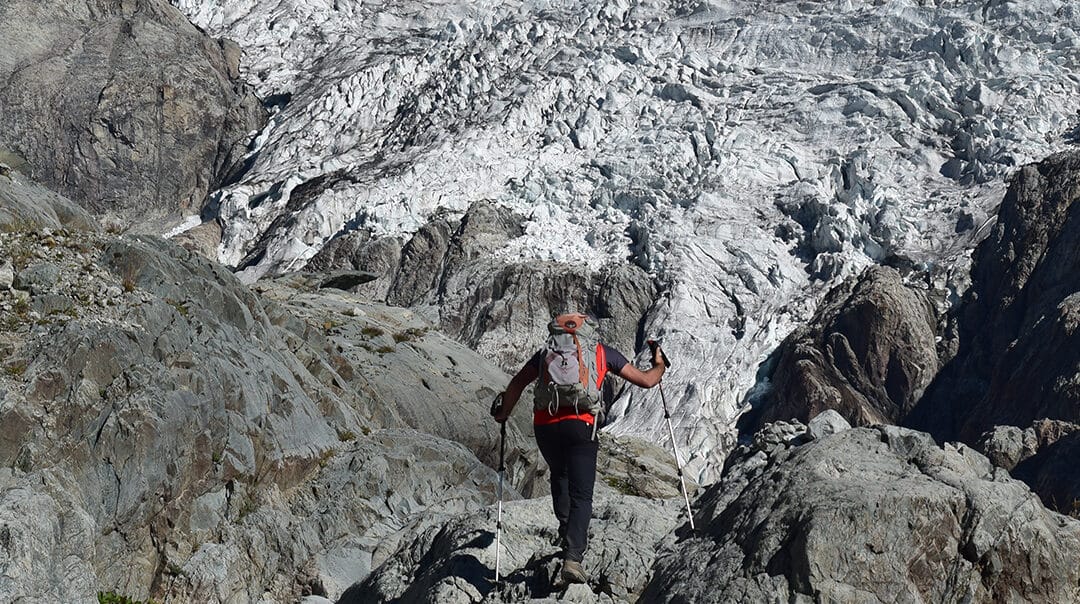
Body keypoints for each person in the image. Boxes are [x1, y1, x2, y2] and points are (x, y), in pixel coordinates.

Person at [492, 313, 668, 585]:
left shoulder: (544, 354)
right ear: (586, 332)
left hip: (545, 425)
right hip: (581, 426)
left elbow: (517, 383)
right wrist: (659, 366)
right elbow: (646, 380)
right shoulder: (601, 352)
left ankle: (566, 535)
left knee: (559, 476)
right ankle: (573, 559)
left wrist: (503, 414)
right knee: (582, 494)